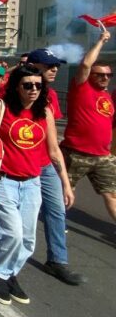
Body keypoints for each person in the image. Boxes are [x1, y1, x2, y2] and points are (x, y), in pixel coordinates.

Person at [0, 65, 72, 305]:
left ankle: (9, 274)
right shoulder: (1, 108)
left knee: (28, 240)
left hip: (32, 183)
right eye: (28, 85)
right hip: (5, 181)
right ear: (17, 87)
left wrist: (66, 185)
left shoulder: (45, 113)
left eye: (38, 86)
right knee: (12, 234)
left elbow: (54, 151)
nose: (33, 90)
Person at [26, 47, 84, 285]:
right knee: (18, 218)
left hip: (46, 164)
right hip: (19, 164)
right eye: (49, 66)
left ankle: (57, 260)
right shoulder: (12, 90)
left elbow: (53, 142)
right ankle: (4, 261)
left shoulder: (48, 96)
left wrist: (66, 183)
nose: (54, 70)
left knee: (56, 211)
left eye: (56, 66)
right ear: (33, 67)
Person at [61, 30, 116, 224]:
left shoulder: (108, 96)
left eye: (109, 75)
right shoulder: (81, 88)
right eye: (100, 74)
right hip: (76, 153)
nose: (105, 78)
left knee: (112, 195)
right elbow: (85, 64)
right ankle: (57, 225)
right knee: (66, 192)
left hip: (102, 156)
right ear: (91, 75)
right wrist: (101, 40)